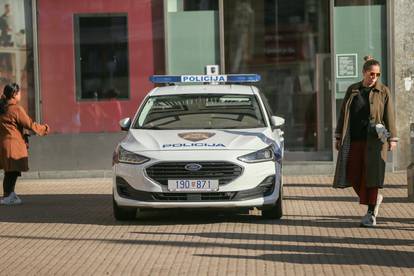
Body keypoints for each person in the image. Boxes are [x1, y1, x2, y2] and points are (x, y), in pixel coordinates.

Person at [333, 56, 398, 227]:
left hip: (375, 142)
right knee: (353, 174)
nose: (374, 77)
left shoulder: (383, 91)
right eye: (371, 74)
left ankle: (370, 213)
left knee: (371, 177)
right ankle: (374, 199)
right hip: (354, 140)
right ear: (364, 73)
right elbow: (343, 114)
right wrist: (338, 135)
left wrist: (392, 138)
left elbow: (389, 115)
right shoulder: (353, 90)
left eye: (377, 74)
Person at [0, 83, 49, 205]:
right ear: (14, 94)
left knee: (10, 171)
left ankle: (10, 194)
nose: (20, 94)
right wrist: (44, 129)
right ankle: (8, 196)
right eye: (19, 92)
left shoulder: (2, 108)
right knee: (12, 171)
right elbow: (29, 124)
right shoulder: (16, 109)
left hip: (4, 144)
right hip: (14, 145)